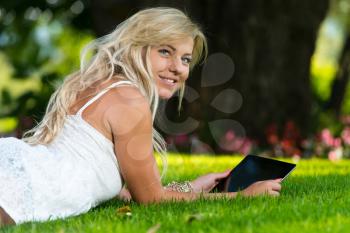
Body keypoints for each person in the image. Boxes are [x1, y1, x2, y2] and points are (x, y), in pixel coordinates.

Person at [0, 7, 282, 226]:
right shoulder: (130, 100)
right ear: (136, 47)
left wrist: (189, 187)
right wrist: (241, 197)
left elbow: (123, 190)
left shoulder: (102, 85)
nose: (177, 68)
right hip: (15, 189)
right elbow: (152, 200)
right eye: (165, 52)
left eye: (185, 59)